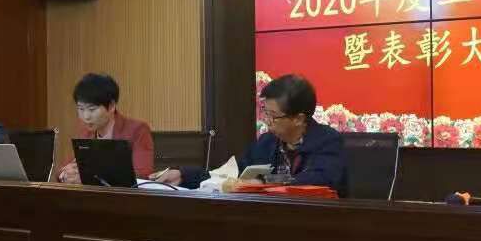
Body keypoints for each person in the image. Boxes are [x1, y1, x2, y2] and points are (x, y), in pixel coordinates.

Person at [151, 74, 347, 194]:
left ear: (298, 118)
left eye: (273, 116)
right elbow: (232, 174)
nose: (267, 121)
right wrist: (184, 176)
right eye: (265, 113)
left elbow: (319, 179)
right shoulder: (267, 142)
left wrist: (262, 183)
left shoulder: (328, 141)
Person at [57, 73, 154, 183]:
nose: (86, 116)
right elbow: (62, 169)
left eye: (92, 109)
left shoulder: (138, 130)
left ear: (111, 106)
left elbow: (142, 174)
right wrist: (65, 174)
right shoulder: (85, 132)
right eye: (81, 109)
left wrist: (87, 178)